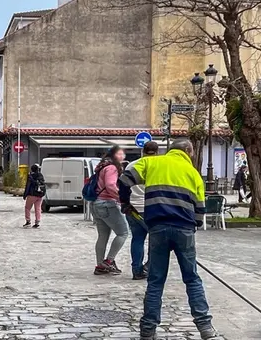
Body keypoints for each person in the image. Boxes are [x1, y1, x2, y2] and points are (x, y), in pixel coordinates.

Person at [119, 139, 219, 340]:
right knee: (192, 279)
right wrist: (193, 229)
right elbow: (200, 210)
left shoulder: (152, 163)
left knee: (156, 280)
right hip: (184, 229)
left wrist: (125, 202)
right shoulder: (194, 174)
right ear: (188, 151)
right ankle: (205, 327)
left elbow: (124, 180)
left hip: (157, 228)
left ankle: (148, 330)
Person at [93, 145, 129, 275]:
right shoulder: (112, 168)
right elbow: (110, 185)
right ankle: (108, 261)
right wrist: (121, 198)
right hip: (107, 204)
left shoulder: (101, 166)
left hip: (96, 203)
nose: (122, 156)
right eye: (120, 154)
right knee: (123, 232)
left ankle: (99, 264)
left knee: (102, 236)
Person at [124, 141, 158, 280]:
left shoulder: (131, 165)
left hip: (132, 207)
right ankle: (149, 267)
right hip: (151, 207)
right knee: (154, 239)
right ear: (157, 152)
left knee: (137, 239)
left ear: (143, 151)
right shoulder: (158, 166)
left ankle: (136, 269)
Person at [22, 164, 46, 228]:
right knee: (38, 208)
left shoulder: (30, 176)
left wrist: (25, 195)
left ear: (32, 169)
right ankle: (37, 222)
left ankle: (28, 221)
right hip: (40, 195)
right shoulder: (40, 175)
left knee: (27, 208)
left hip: (32, 195)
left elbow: (28, 186)